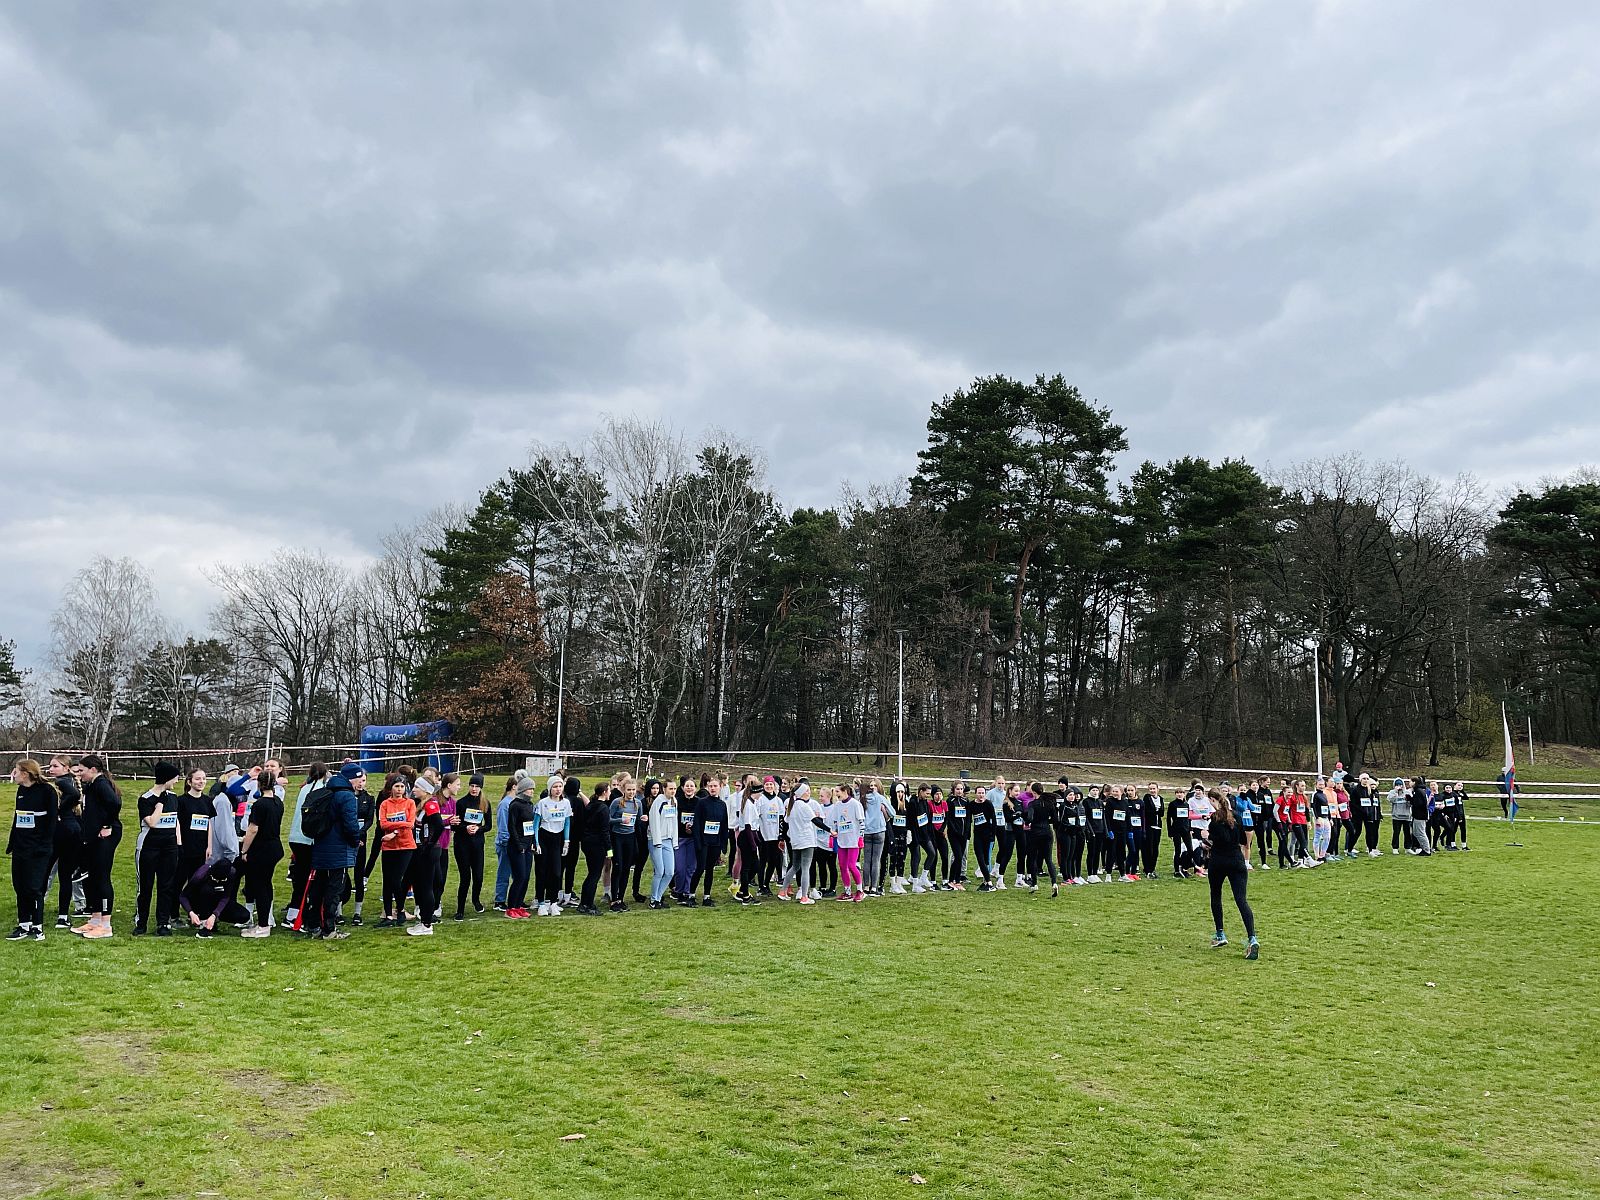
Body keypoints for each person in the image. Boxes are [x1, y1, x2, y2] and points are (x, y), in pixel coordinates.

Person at [1199, 788, 1258, 959]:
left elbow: (1214, 841)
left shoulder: (1214, 820)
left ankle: (1220, 934)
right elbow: (1243, 841)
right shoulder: (1236, 817)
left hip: (1218, 861)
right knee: (1241, 900)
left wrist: (1205, 838)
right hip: (1237, 861)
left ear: (1212, 800)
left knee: (1216, 896)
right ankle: (1252, 937)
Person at [307, 766, 361, 939]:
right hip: (339, 849)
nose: (361, 783)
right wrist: (355, 842)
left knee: (319, 887)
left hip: (320, 845)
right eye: (359, 779)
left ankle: (314, 925)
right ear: (352, 778)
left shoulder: (325, 792)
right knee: (334, 890)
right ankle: (329, 929)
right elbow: (351, 825)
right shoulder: (347, 796)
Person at [8, 759, 57, 941]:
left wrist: (44, 845)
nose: (14, 774)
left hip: (38, 849)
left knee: (34, 887)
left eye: (17, 771)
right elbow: (18, 817)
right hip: (21, 847)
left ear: (26, 773)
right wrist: (12, 842)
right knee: (19, 885)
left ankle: (37, 926)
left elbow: (52, 821)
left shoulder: (47, 792)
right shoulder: (21, 791)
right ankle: (24, 924)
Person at [132, 761, 183, 936]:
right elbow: (152, 822)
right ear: (166, 778)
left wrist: (178, 843)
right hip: (148, 847)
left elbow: (175, 821)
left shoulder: (174, 797)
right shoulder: (146, 799)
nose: (177, 781)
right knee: (145, 887)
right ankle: (141, 922)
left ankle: (163, 923)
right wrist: (160, 804)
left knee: (166, 886)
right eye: (175, 778)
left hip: (169, 847)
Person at [75, 754, 122, 940]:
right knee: (93, 876)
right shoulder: (92, 786)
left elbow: (115, 803)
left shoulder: (101, 783)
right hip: (93, 837)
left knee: (102, 876)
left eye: (82, 771)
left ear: (93, 770)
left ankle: (106, 923)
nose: (80, 774)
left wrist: (107, 825)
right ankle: (94, 920)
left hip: (106, 836)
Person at [238, 768, 285, 938]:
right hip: (274, 847)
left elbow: (252, 830)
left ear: (259, 784)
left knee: (260, 886)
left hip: (262, 849)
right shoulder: (278, 802)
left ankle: (263, 925)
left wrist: (244, 850)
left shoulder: (259, 805)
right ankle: (265, 922)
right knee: (266, 884)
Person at [284, 762, 327, 929]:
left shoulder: (304, 788)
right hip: (308, 839)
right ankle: (301, 915)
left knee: (300, 878)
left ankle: (292, 914)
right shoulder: (322, 789)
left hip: (295, 837)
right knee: (308, 881)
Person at [45, 755, 84, 927]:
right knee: (65, 876)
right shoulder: (70, 780)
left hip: (63, 831)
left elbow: (74, 794)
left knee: (47, 872)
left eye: (55, 766)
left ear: (66, 767)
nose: (51, 769)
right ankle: (62, 916)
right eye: (50, 766)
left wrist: (60, 810)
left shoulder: (62, 782)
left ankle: (34, 913)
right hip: (72, 830)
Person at [406, 780, 447, 935]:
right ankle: (424, 919)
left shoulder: (430, 804)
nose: (414, 790)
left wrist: (428, 844)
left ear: (425, 789)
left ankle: (427, 924)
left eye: (417, 787)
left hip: (428, 851)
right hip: (422, 849)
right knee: (420, 885)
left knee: (426, 886)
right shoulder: (422, 804)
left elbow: (439, 826)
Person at [376, 775, 417, 927]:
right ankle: (388, 915)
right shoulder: (385, 804)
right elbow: (383, 824)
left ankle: (400, 910)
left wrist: (394, 832)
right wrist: (401, 825)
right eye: (396, 786)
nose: (399, 790)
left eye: (402, 787)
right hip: (388, 847)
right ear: (391, 788)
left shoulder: (410, 803)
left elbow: (411, 824)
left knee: (396, 879)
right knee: (387, 881)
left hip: (406, 846)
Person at [451, 774, 490, 920]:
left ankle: (476, 900)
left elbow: (489, 825)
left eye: (477, 786)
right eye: (472, 786)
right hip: (462, 845)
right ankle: (460, 909)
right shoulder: (461, 803)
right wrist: (465, 828)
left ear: (481, 788)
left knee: (478, 877)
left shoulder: (485, 803)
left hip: (478, 845)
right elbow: (455, 825)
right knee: (465, 877)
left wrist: (478, 829)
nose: (474, 789)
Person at [534, 776, 574, 916]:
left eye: (560, 786)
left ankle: (553, 902)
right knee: (542, 872)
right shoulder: (542, 803)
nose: (558, 790)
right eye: (555, 787)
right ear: (550, 788)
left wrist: (567, 841)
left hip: (558, 839)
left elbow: (567, 822)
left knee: (556, 873)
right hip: (544, 837)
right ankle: (541, 902)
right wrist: (536, 842)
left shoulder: (566, 803)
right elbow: (536, 823)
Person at [174, 768, 212, 909]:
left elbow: (209, 824)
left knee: (197, 882)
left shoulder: (208, 801)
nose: (201, 781)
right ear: (189, 782)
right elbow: (176, 824)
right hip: (184, 849)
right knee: (178, 882)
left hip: (201, 850)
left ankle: (194, 911)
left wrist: (209, 846)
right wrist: (179, 844)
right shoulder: (181, 801)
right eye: (197, 779)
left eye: (203, 778)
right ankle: (174, 914)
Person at [572, 781, 611, 916]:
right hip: (597, 845)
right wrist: (609, 849)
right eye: (609, 790)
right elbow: (605, 831)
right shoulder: (603, 808)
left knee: (591, 874)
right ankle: (588, 904)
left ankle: (584, 903)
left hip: (587, 843)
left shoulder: (590, 806)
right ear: (605, 792)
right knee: (594, 875)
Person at [779, 785, 821, 905]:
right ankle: (804, 896)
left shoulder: (792, 806)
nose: (809, 792)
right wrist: (830, 831)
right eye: (807, 790)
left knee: (795, 866)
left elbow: (786, 822)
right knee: (805, 868)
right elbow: (816, 821)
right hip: (806, 841)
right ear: (802, 793)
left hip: (795, 841)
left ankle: (783, 891)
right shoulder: (804, 806)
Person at [691, 775, 730, 906]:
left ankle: (707, 896)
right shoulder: (701, 803)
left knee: (710, 869)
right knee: (700, 868)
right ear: (707, 787)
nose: (713, 788)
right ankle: (691, 895)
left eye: (715, 786)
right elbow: (696, 823)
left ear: (720, 787)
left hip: (715, 842)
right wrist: (698, 842)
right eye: (711, 786)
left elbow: (724, 825)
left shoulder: (722, 805)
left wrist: (724, 844)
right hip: (703, 841)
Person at [504, 777, 538, 918]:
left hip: (528, 845)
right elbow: (512, 826)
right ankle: (511, 907)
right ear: (523, 789)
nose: (532, 792)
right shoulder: (515, 805)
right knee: (519, 877)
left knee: (526, 877)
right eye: (530, 789)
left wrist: (533, 843)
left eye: (533, 789)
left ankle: (519, 905)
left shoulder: (529, 805)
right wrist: (519, 845)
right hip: (517, 846)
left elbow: (531, 826)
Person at [645, 779, 678, 909]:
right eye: (670, 789)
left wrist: (674, 841)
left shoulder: (674, 801)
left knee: (669, 872)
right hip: (655, 840)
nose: (673, 791)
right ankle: (654, 900)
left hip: (668, 841)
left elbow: (674, 822)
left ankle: (658, 897)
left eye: (675, 789)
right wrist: (657, 841)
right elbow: (654, 822)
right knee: (659, 871)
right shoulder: (658, 801)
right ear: (664, 789)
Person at [833, 783, 865, 903]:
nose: (836, 794)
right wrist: (834, 833)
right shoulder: (837, 806)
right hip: (842, 841)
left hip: (853, 841)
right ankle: (847, 891)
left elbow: (862, 822)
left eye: (838, 792)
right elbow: (836, 822)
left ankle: (860, 890)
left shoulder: (855, 804)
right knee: (842, 865)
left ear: (845, 791)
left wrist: (860, 838)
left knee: (852, 865)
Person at [861, 779, 891, 897]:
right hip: (878, 830)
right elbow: (891, 814)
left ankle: (867, 886)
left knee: (868, 860)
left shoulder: (863, 799)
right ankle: (873, 887)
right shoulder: (881, 798)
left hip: (867, 831)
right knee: (875, 860)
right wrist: (884, 810)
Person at [757, 777, 786, 896]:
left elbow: (781, 818)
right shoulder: (760, 799)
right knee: (762, 862)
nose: (769, 786)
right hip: (764, 836)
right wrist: (759, 835)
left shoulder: (778, 800)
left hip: (775, 837)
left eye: (771, 784)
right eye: (767, 784)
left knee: (773, 862)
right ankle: (761, 886)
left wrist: (781, 835)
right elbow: (757, 817)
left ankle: (766, 884)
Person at [492, 774, 517, 910]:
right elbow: (503, 827)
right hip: (505, 844)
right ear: (514, 786)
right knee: (504, 871)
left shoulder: (513, 802)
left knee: (516, 872)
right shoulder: (505, 804)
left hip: (513, 843)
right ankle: (499, 900)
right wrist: (506, 842)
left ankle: (516, 897)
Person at [1408, 778, 1434, 857]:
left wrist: (1410, 799)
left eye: (1410, 781)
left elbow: (1419, 804)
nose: (1409, 783)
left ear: (1414, 782)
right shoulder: (1418, 791)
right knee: (1416, 832)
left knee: (1421, 833)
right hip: (1417, 815)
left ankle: (1427, 850)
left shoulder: (1419, 791)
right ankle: (1424, 848)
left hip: (1420, 816)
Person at [1388, 777, 1411, 854]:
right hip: (1396, 816)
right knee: (1396, 832)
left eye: (1400, 785)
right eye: (1397, 785)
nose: (1399, 786)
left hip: (1407, 816)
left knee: (1407, 832)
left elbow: (1411, 802)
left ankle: (1408, 848)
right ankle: (1395, 847)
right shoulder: (1392, 792)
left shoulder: (1407, 792)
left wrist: (1408, 799)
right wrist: (1395, 792)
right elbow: (1390, 799)